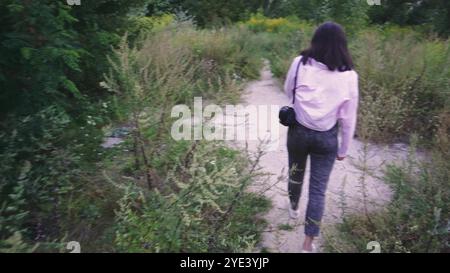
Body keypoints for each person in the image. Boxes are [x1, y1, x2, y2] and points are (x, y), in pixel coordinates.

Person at [284, 22, 359, 253]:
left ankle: (294, 206)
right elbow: (348, 118)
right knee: (318, 190)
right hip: (327, 138)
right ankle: (308, 244)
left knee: (295, 172)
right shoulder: (349, 76)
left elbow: (289, 90)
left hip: (298, 130)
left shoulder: (299, 63)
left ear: (315, 41)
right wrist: (343, 150)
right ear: (342, 45)